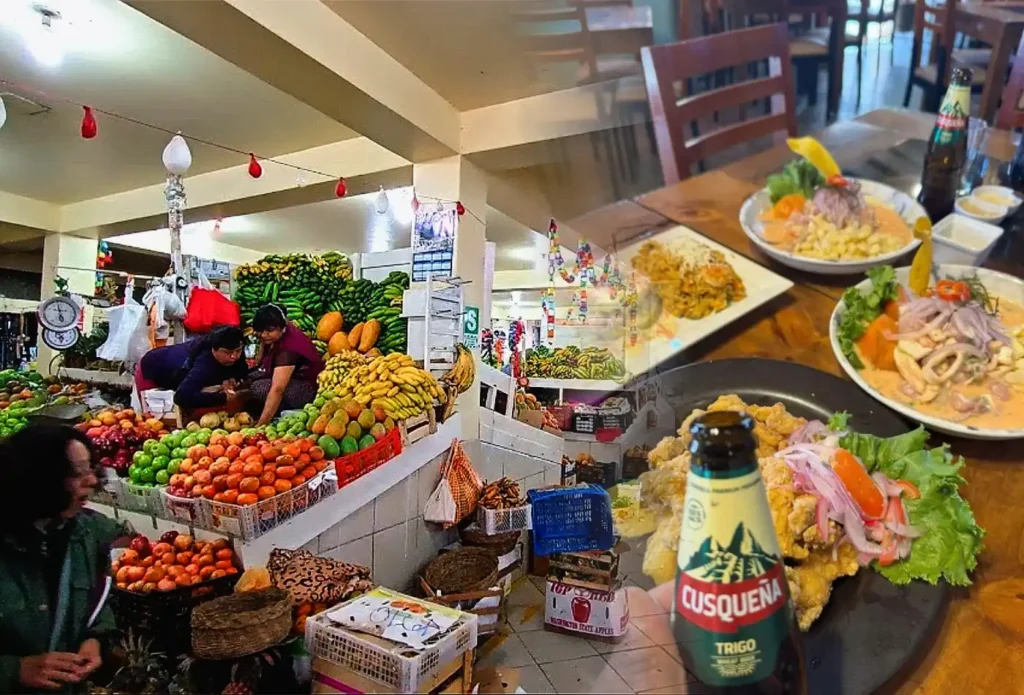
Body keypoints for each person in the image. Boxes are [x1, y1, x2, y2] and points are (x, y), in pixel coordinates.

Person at [0, 425, 129, 693]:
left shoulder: (83, 532)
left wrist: (95, 638)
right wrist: (15, 670)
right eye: (77, 473)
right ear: (38, 480)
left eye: (91, 469)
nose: (93, 481)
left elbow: (94, 595)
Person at [136, 325, 248, 411]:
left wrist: (233, 378)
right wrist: (223, 398)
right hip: (152, 369)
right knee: (156, 418)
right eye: (227, 352)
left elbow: (241, 371)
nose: (234, 356)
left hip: (181, 373)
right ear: (214, 349)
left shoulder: (235, 348)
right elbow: (182, 397)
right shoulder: (203, 364)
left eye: (238, 351)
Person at [250, 304, 325, 425]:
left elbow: (277, 389)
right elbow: (259, 360)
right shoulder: (279, 332)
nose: (264, 335)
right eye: (261, 331)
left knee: (259, 388)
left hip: (307, 389)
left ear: (282, 327)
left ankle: (279, 412)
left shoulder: (288, 350)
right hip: (293, 378)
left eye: (269, 331)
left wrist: (261, 425)